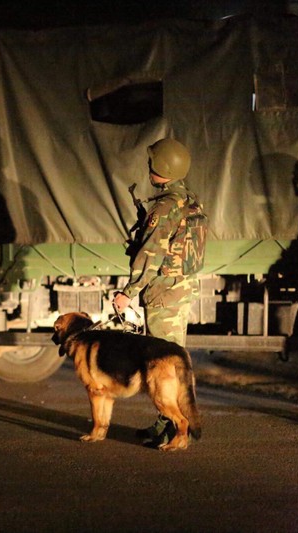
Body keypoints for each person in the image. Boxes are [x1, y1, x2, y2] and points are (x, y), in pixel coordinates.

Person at [113, 138, 201, 445]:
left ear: (160, 167)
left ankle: (176, 430)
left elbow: (151, 255)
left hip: (164, 294)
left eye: (153, 163)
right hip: (180, 290)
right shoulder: (189, 200)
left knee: (165, 366)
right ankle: (166, 423)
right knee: (171, 362)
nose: (149, 167)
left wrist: (129, 291)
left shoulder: (164, 207)